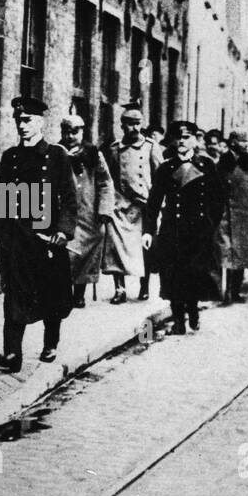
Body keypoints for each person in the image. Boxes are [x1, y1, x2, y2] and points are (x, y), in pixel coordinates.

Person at [0, 96, 77, 371]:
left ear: (40, 122)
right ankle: (12, 354)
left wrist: (63, 231)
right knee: (14, 296)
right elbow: (2, 201)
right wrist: (0, 241)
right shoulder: (10, 157)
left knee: (52, 294)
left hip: (46, 239)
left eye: (27, 120)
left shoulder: (57, 156)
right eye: (18, 120)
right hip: (18, 240)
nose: (22, 125)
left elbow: (69, 198)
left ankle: (50, 343)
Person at [143, 121, 225, 334]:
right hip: (172, 230)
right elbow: (153, 202)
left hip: (198, 232)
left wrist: (211, 224)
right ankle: (179, 321)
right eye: (178, 138)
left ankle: (193, 310)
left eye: (186, 137)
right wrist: (148, 231)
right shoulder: (165, 168)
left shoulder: (206, 165)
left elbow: (218, 198)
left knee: (194, 274)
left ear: (195, 140)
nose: (181, 141)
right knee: (173, 276)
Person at [103, 102, 162, 303]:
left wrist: (156, 202)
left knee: (146, 248)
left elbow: (160, 177)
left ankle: (144, 286)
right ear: (122, 125)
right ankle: (119, 289)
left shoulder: (151, 147)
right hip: (121, 206)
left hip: (144, 205)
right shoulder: (114, 149)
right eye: (130, 123)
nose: (134, 128)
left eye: (138, 123)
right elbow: (108, 178)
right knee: (116, 247)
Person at [60, 113, 115, 308]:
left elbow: (105, 182)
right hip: (64, 212)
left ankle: (79, 294)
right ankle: (64, 291)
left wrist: (105, 210)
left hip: (89, 213)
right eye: (66, 132)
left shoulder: (93, 153)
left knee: (85, 254)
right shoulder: (56, 152)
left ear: (82, 131)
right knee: (65, 252)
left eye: (74, 132)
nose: (70, 136)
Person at [216, 129, 248, 305]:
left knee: (241, 254)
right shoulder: (221, 163)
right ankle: (225, 292)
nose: (246, 144)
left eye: (246, 141)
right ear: (232, 142)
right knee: (226, 252)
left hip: (247, 216)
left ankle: (235, 291)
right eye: (242, 141)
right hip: (225, 214)